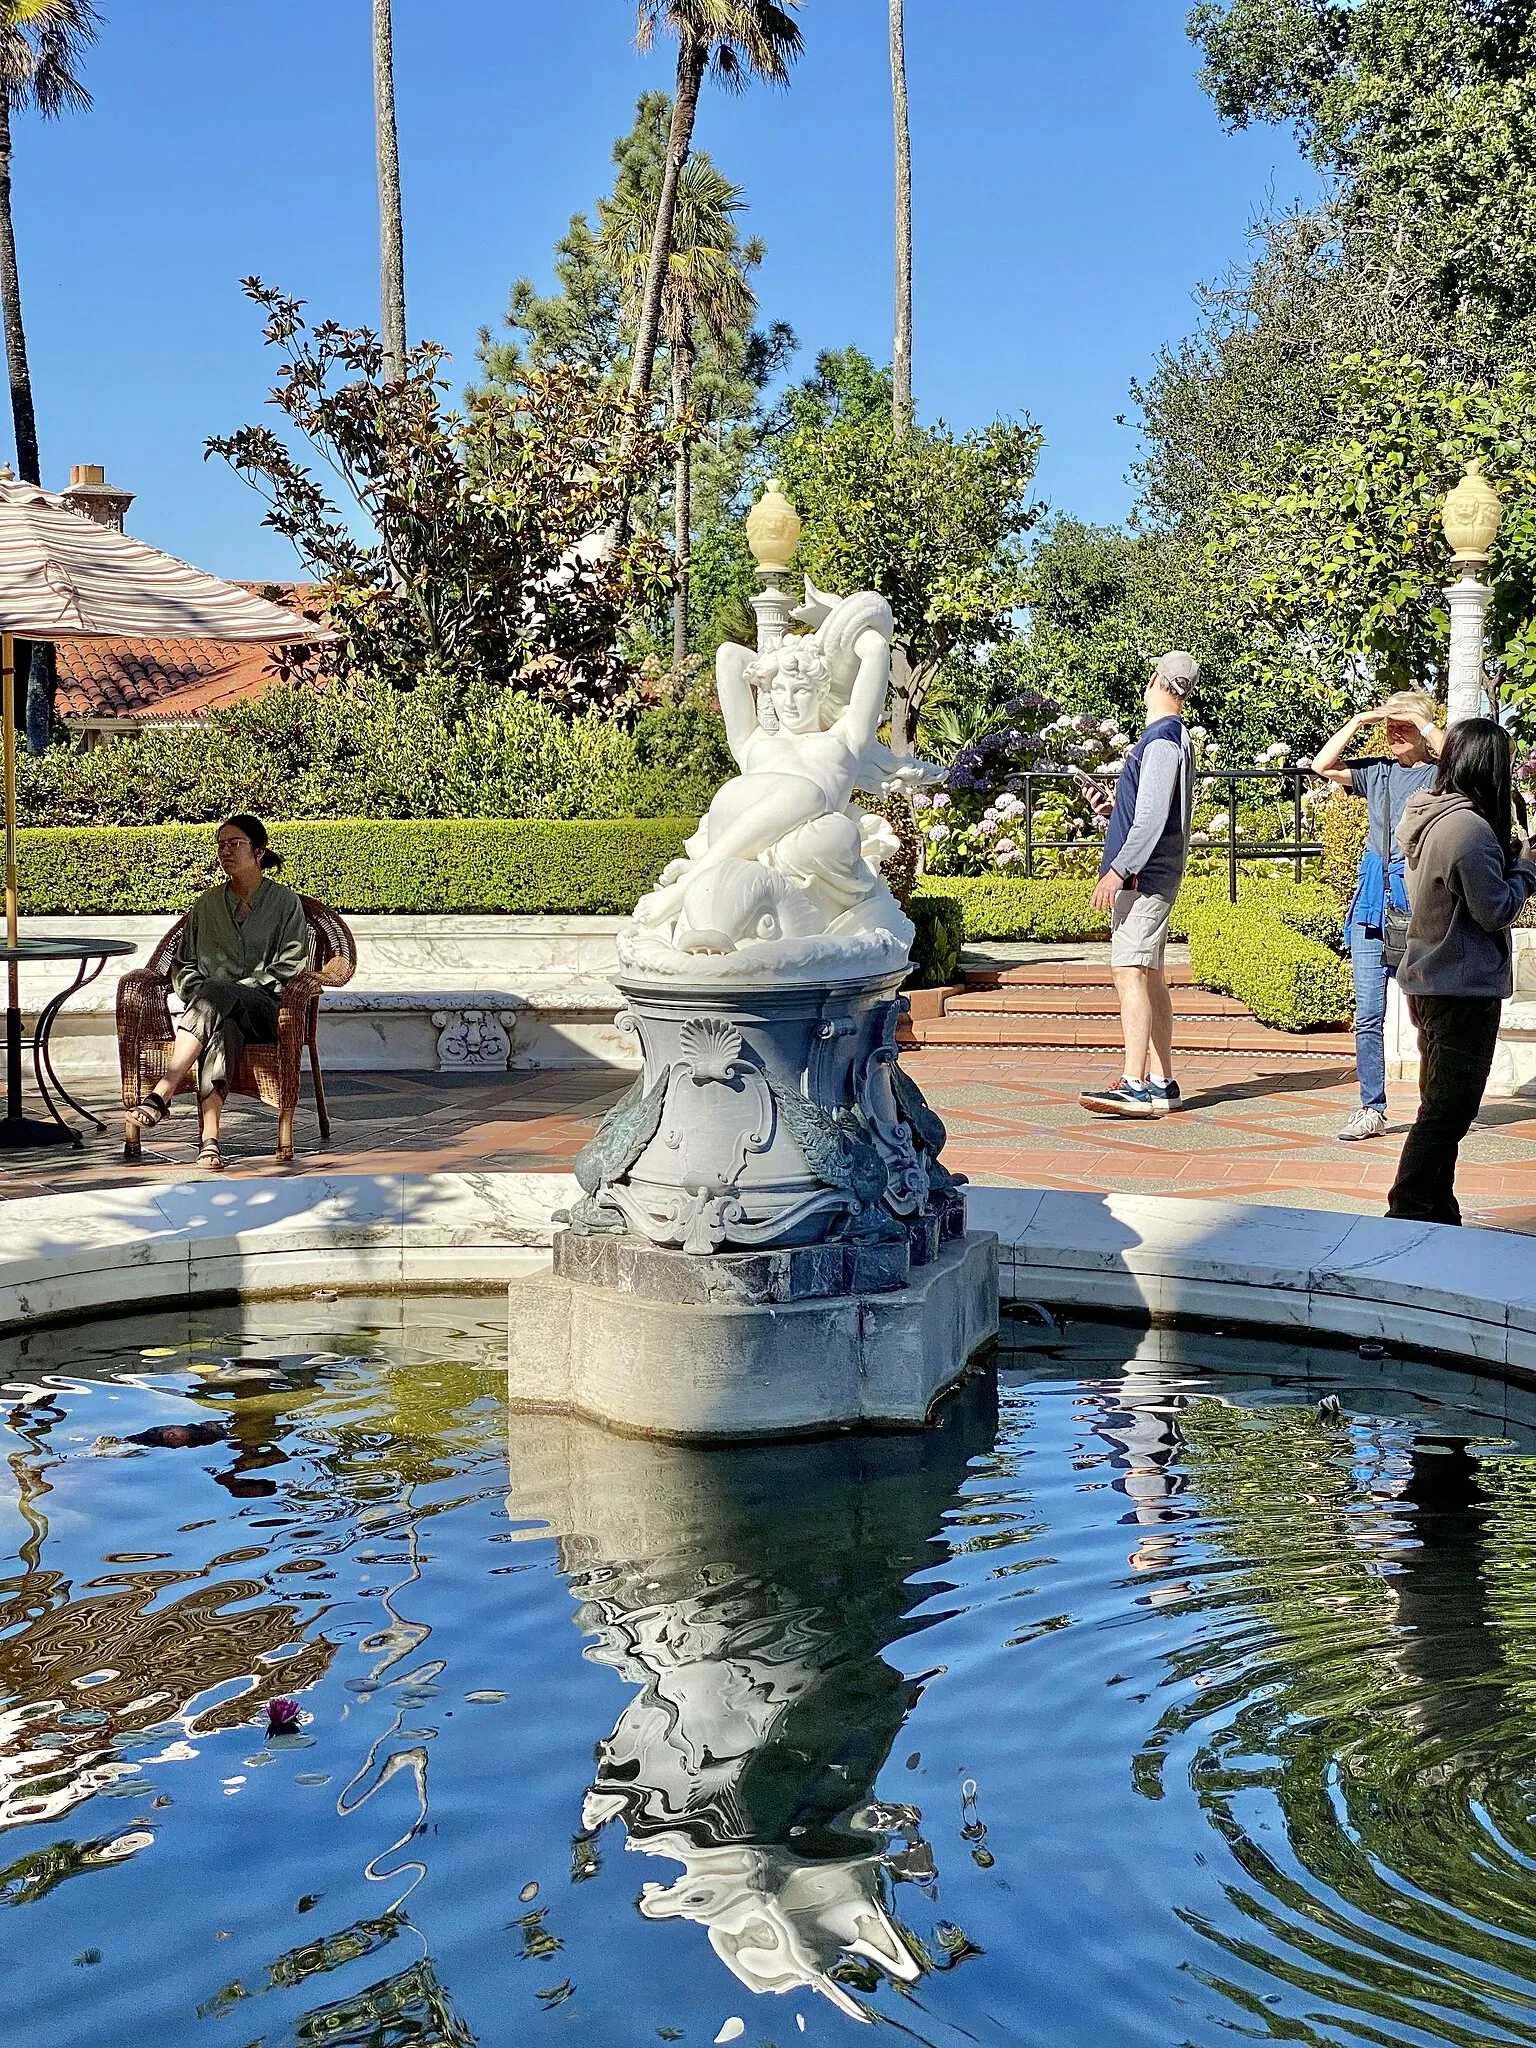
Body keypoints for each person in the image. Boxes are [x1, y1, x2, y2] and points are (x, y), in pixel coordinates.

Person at [1387, 719, 1536, 1225]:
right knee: (1449, 1111)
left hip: (1431, 981)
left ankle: (1437, 1209)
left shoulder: (1432, 816)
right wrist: (1528, 867)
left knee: (1441, 1105)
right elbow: (1494, 909)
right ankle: (1408, 1208)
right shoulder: (1467, 829)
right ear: (1489, 766)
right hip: (1461, 989)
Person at [125, 815, 309, 1171]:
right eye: (221, 844)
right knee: (222, 1029)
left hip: (266, 1009)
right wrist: (204, 993)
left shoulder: (285, 902)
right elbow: (183, 963)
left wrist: (230, 990)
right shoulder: (207, 904)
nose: (225, 850)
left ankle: (163, 1091)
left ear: (259, 851)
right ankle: (210, 1142)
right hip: (213, 1013)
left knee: (218, 996)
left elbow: (291, 964)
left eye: (234, 843)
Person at [1309, 691, 1444, 1141]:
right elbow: (1322, 766)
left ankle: (1433, 1104)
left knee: (1422, 1014)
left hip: (1415, 901)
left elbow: (1460, 759)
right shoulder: (1377, 772)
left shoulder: (1438, 773)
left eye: (1404, 726)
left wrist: (1420, 724)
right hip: (1371, 903)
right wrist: (1364, 718)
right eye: (1391, 727)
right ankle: (1371, 1106)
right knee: (1368, 1013)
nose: (1395, 733)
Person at [1079, 652, 1198, 1118]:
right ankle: (1163, 1081)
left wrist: (1118, 868)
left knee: (1129, 970)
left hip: (1144, 878)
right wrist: (1114, 810)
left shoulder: (1161, 741)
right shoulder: (1174, 740)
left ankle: (1134, 1083)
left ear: (1154, 681)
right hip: (1155, 873)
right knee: (1149, 975)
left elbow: (1150, 820)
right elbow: (1154, 814)